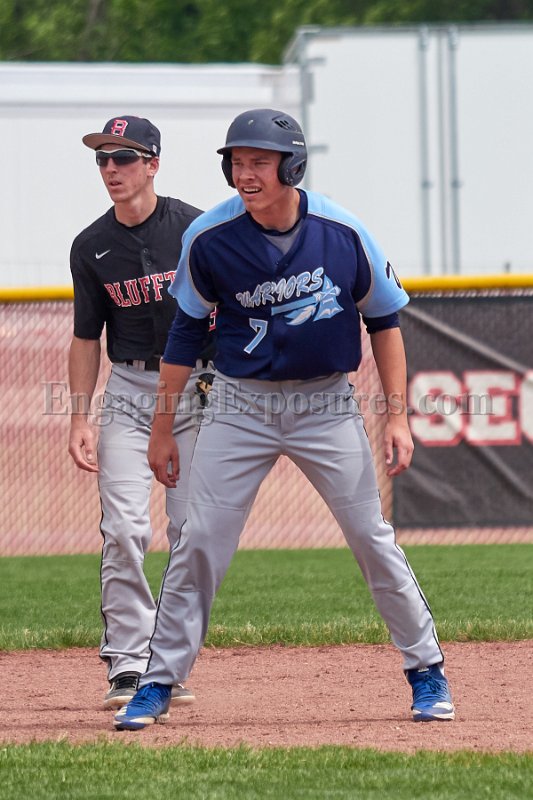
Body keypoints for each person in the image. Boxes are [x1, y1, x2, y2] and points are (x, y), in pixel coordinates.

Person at [114, 108, 455, 730]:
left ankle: (426, 670)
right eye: (237, 163)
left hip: (325, 405)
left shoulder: (341, 231)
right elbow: (185, 333)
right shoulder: (210, 237)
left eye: (260, 162)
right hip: (239, 405)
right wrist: (163, 427)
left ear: (291, 166)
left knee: (371, 537)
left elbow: (384, 322)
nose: (246, 174)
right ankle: (158, 680)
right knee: (198, 542)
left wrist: (398, 418)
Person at [68, 115, 214, 712]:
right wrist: (79, 418)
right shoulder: (90, 246)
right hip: (129, 389)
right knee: (126, 528)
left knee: (192, 533)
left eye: (124, 157)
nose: (111, 169)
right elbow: (85, 338)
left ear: (152, 164)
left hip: (199, 391)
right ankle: (130, 662)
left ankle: (169, 662)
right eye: (103, 159)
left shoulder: (197, 230)